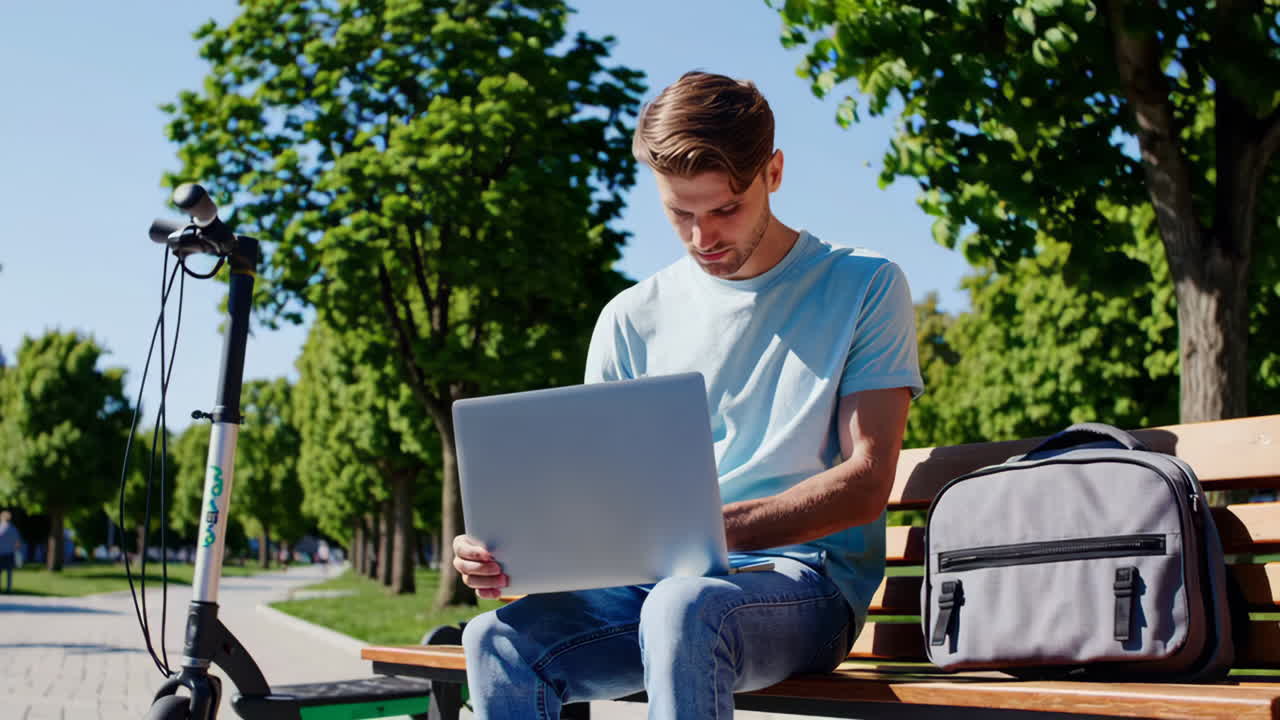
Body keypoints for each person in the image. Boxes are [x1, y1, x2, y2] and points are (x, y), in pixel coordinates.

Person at [453, 71, 923, 719]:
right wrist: (520, 558)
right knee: (497, 642)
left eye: (725, 209)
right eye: (681, 213)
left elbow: (866, 482)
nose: (704, 238)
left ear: (775, 172)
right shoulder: (630, 316)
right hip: (659, 589)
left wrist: (701, 536)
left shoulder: (863, 285)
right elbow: (601, 502)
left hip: (801, 585)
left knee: (685, 604)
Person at [0, 510, 23, 593]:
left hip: (1, 553)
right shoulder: (13, 529)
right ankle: (8, 588)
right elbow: (18, 543)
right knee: (9, 572)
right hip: (10, 553)